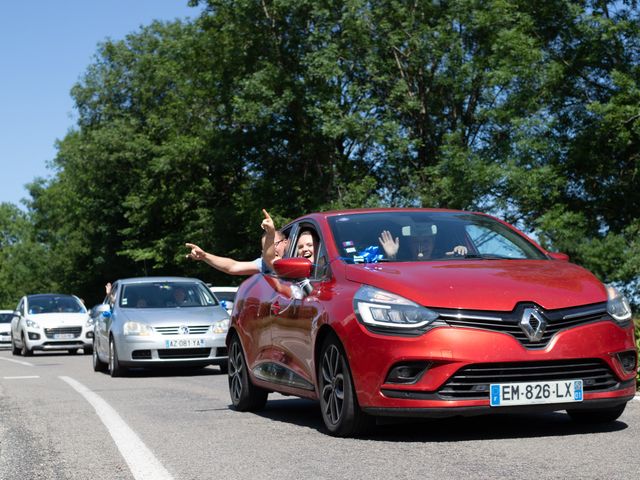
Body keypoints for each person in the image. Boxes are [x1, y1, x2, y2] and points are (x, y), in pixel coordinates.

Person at [185, 209, 288, 275]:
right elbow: (233, 266)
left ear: (286, 242)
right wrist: (204, 255)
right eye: (266, 249)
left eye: (274, 244)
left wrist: (270, 232)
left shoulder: (299, 256)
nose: (270, 251)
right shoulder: (264, 263)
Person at [378, 224, 468, 260]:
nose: (421, 246)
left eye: (426, 241)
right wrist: (392, 256)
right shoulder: (403, 262)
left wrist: (460, 254)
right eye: (415, 242)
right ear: (409, 245)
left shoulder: (445, 258)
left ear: (433, 243)